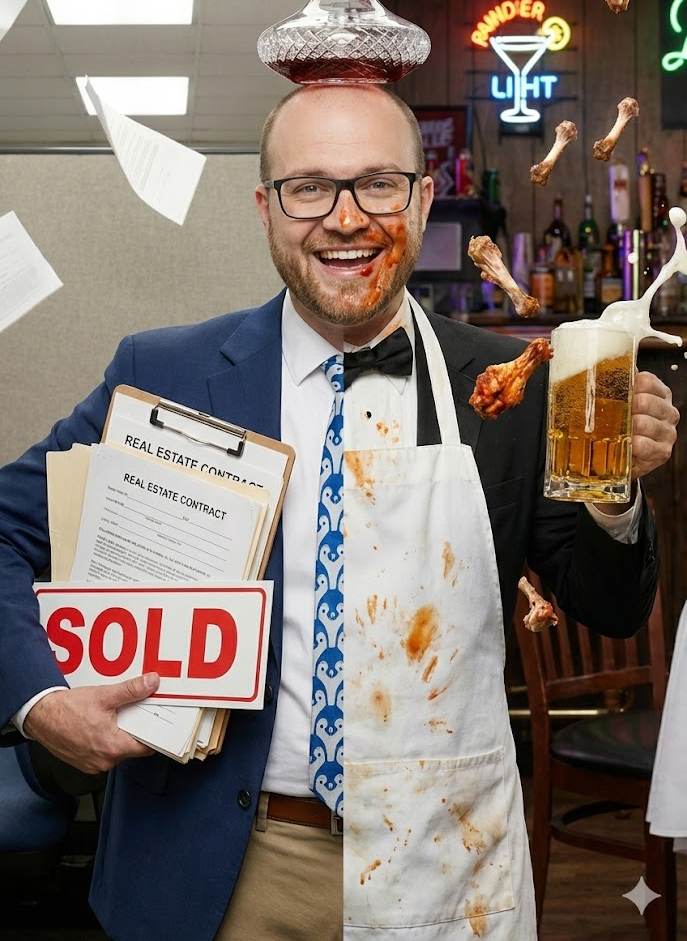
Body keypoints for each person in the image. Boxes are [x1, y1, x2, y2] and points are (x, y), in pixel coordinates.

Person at [0, 84, 679, 941]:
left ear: (422, 199)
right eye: (309, 187)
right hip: (222, 862)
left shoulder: (511, 385)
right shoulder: (163, 375)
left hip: (449, 859)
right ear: (265, 209)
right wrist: (39, 701)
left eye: (378, 184)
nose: (345, 218)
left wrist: (615, 491)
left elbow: (610, 607)